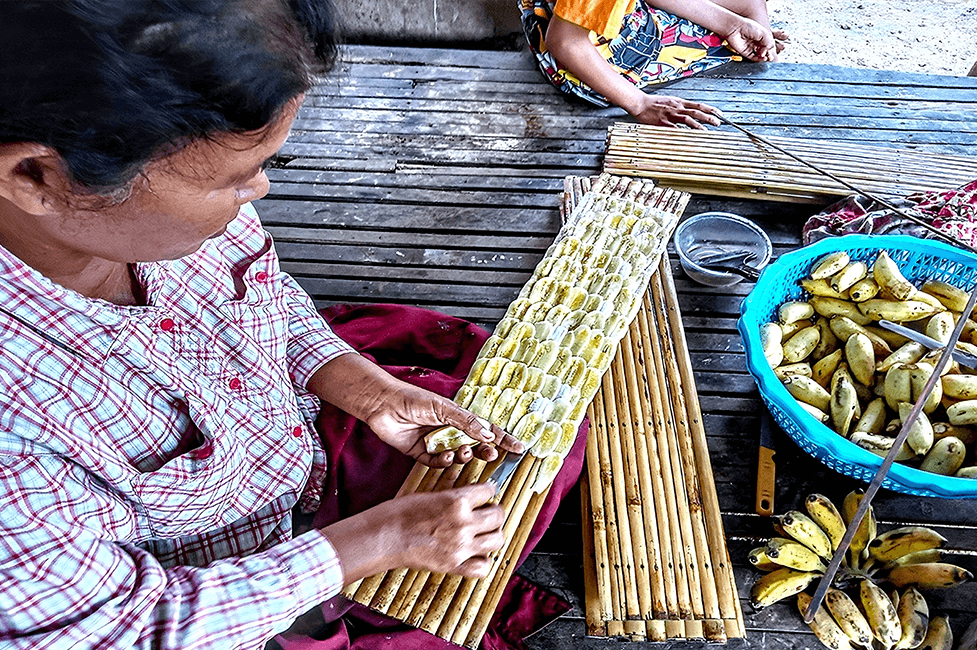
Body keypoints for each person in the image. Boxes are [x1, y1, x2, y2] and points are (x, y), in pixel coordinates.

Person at [0, 2, 584, 648]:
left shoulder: (158, 214)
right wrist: (377, 541)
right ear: (37, 176)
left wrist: (368, 391)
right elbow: (136, 630)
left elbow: (264, 291)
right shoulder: (16, 447)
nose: (261, 193)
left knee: (535, 429)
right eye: (235, 178)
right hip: (229, 594)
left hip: (300, 457)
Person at [520, 0, 788, 128]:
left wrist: (730, 23)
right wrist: (639, 103)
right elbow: (566, 42)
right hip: (580, 57)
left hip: (567, 16)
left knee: (748, 7)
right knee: (745, 13)